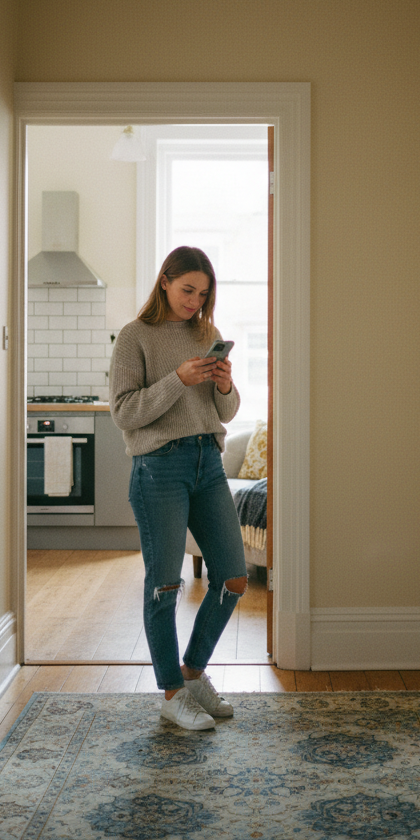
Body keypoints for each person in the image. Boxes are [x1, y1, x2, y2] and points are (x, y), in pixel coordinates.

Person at [109, 246, 248, 730]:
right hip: (158, 468)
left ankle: (192, 673)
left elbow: (222, 413)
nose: (194, 301)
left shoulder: (206, 334)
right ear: (164, 281)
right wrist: (177, 378)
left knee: (233, 576)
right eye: (187, 289)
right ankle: (171, 692)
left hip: (207, 462)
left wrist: (225, 386)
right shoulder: (134, 337)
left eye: (203, 293)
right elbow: (125, 412)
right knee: (164, 585)